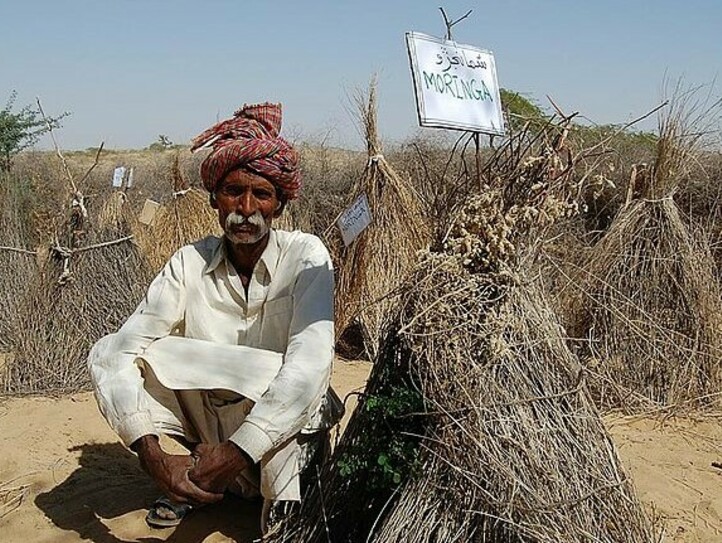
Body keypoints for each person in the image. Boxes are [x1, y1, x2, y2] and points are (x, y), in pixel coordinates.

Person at [87, 103, 342, 533]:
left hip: (279, 444)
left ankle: (279, 513)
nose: (246, 208)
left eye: (261, 194)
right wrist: (152, 455)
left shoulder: (306, 257)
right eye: (233, 192)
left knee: (292, 378)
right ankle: (190, 482)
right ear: (213, 199)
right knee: (148, 356)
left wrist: (239, 452)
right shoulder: (188, 262)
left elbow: (310, 365)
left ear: (278, 205)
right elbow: (112, 353)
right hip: (210, 440)